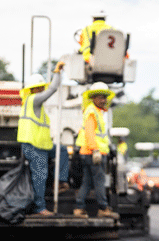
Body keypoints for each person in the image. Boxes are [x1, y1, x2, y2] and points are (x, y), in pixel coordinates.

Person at [17, 63, 70, 217]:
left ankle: (60, 182)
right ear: (33, 89)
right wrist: (57, 72)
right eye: (38, 87)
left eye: (41, 87)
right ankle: (39, 208)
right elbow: (53, 89)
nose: (41, 90)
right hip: (34, 145)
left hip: (40, 144)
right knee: (40, 175)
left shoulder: (32, 102)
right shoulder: (34, 100)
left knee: (61, 150)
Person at [73, 82, 120, 220]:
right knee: (99, 181)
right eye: (100, 97)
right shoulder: (92, 112)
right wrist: (95, 151)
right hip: (94, 153)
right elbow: (90, 134)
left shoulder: (96, 111)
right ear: (93, 98)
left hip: (91, 152)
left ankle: (79, 207)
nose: (104, 100)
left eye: (104, 97)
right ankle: (103, 208)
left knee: (87, 182)